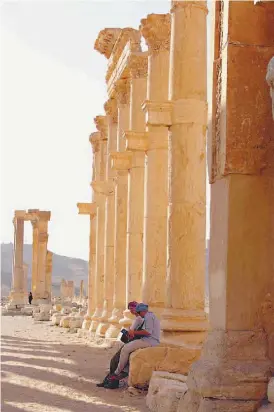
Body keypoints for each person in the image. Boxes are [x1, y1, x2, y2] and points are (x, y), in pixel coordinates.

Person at [96, 301, 144, 388]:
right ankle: (109, 381)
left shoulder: (139, 319)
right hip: (132, 342)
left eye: (132, 308)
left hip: (133, 343)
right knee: (115, 362)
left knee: (115, 361)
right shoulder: (139, 318)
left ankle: (111, 382)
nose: (131, 311)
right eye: (130, 309)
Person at [109, 303, 160, 382]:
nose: (138, 315)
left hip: (150, 341)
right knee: (127, 349)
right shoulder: (149, 316)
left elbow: (148, 332)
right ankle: (123, 371)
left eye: (139, 313)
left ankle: (117, 373)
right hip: (148, 339)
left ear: (143, 311)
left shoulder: (148, 317)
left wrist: (133, 332)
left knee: (125, 349)